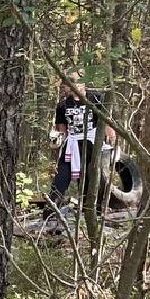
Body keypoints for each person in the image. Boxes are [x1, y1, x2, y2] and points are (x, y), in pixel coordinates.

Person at [50, 78, 101, 221]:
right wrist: (56, 141)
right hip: (71, 145)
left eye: (77, 81)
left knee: (90, 179)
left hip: (91, 144)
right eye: (70, 82)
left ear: (84, 82)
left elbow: (106, 125)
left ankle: (92, 214)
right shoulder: (63, 105)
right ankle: (51, 212)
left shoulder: (96, 99)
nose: (73, 85)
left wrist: (111, 145)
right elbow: (62, 130)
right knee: (61, 177)